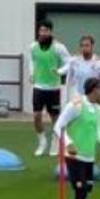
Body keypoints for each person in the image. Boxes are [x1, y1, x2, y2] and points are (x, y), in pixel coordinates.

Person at [27, 21, 71, 157]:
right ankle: (42, 142)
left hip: (53, 89)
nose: (42, 33)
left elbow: (69, 63)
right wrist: (31, 73)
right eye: (41, 31)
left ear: (50, 32)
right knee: (36, 116)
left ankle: (55, 142)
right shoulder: (33, 46)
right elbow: (32, 61)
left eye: (45, 31)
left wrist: (59, 72)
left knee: (56, 119)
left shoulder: (59, 47)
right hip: (38, 87)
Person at [61, 34, 100, 102]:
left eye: (87, 45)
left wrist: (98, 92)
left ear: (92, 47)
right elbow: (68, 81)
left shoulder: (99, 63)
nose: (84, 48)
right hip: (78, 100)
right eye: (82, 45)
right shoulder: (74, 62)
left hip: (93, 100)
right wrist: (68, 100)